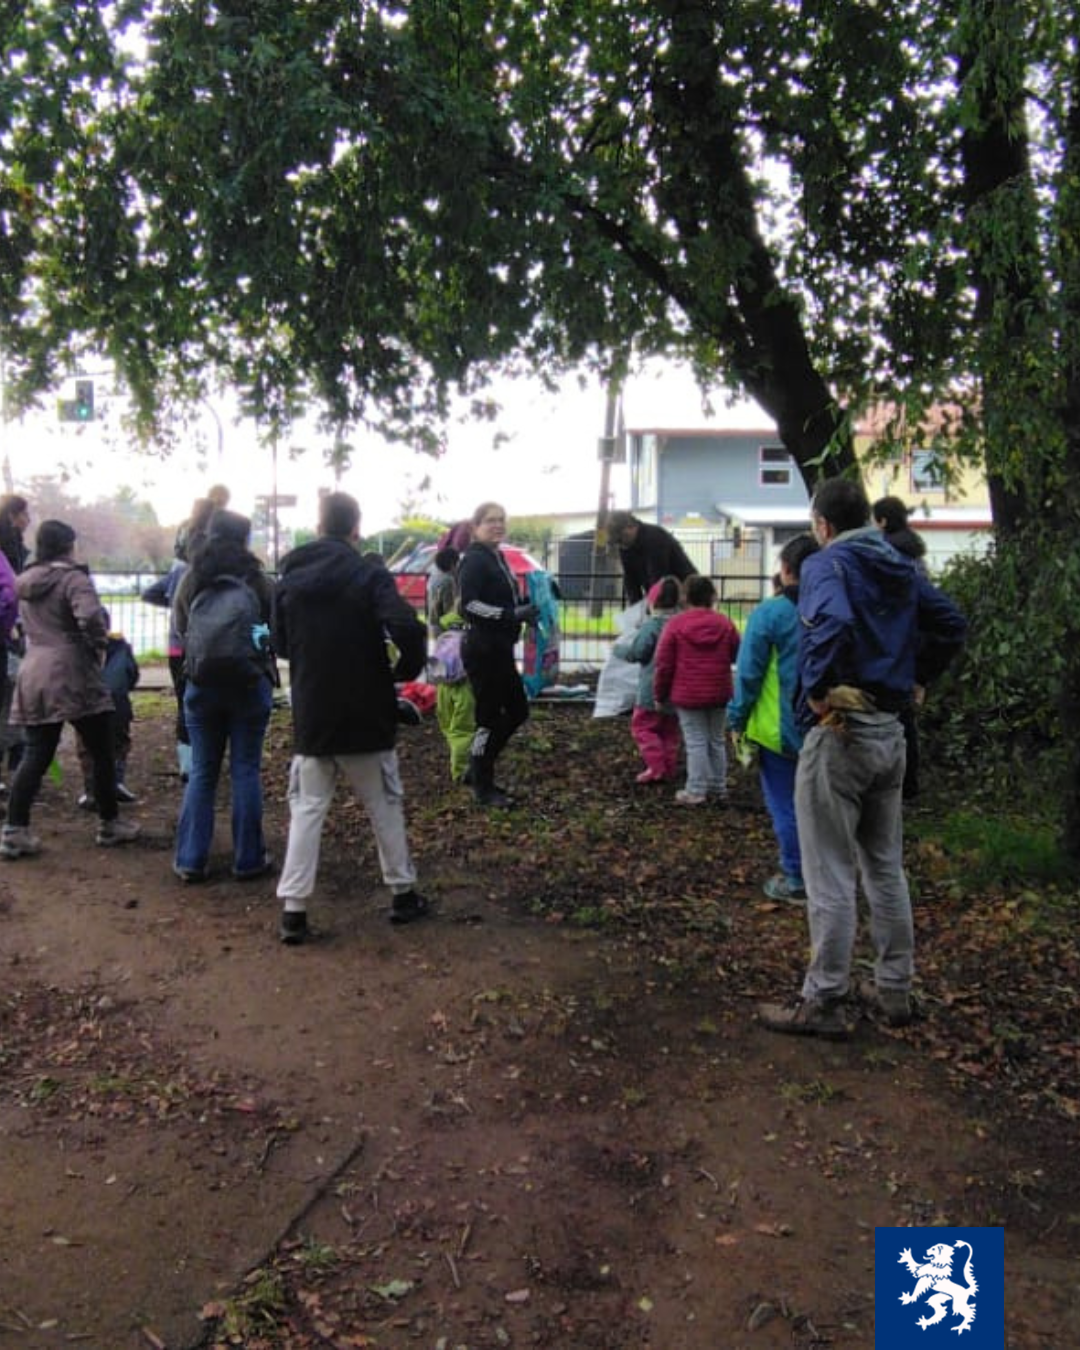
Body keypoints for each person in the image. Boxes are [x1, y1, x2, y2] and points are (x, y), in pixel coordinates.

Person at [757, 479, 966, 1039]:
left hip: (842, 732)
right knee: (884, 866)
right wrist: (920, 675)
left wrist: (818, 690)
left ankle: (824, 998)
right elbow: (951, 623)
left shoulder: (828, 563)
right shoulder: (898, 562)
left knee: (828, 871)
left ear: (822, 525)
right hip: (892, 733)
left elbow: (833, 621)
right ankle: (894, 988)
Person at [272, 491, 429, 941]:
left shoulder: (289, 580)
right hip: (366, 712)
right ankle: (402, 894)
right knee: (384, 805)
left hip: (314, 711)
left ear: (318, 526)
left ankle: (294, 910)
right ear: (356, 529)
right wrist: (404, 670)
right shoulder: (368, 574)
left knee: (307, 809)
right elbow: (406, 625)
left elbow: (280, 644)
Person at [0, 520, 141, 858]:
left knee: (37, 752)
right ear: (68, 545)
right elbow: (91, 617)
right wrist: (98, 644)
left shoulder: (26, 581)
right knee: (101, 750)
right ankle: (109, 823)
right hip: (73, 672)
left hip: (35, 670)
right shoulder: (73, 579)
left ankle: (14, 830)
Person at [171, 509, 276, 882]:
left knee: (202, 771)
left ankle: (190, 859)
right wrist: (255, 651)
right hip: (249, 684)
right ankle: (248, 859)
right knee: (245, 768)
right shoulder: (258, 581)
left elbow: (181, 627)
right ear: (244, 539)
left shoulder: (193, 578)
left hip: (201, 686)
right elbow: (269, 631)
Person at [727, 534, 819, 902]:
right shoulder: (839, 608)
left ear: (785, 570)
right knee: (825, 805)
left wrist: (736, 718)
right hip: (833, 725)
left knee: (787, 804)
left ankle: (797, 878)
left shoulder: (771, 613)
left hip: (780, 729)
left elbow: (748, 674)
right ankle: (831, 875)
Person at [458, 501, 538, 808]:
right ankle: (482, 785)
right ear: (475, 527)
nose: (497, 525)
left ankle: (478, 765)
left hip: (500, 649)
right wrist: (510, 614)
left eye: (501, 520)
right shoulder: (474, 560)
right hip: (482, 650)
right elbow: (469, 605)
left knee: (518, 710)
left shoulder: (497, 556)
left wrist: (524, 607)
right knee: (487, 719)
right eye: (490, 520)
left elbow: (504, 598)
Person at [653, 574, 741, 805]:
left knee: (696, 741)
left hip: (687, 694)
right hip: (719, 691)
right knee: (716, 740)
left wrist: (659, 695)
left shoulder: (675, 625)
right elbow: (737, 653)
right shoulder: (724, 623)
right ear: (712, 596)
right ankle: (718, 786)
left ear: (685, 597)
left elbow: (664, 664)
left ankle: (696, 790)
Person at [144, 498, 215, 782]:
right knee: (209, 703)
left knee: (184, 703)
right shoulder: (213, 571)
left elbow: (150, 592)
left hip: (177, 647)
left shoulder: (178, 572)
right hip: (207, 647)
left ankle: (187, 762)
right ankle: (205, 756)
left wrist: (174, 605)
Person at [872, 496, 929, 799]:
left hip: (889, 640)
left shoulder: (885, 554)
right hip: (913, 641)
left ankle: (889, 781)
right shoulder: (915, 555)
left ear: (882, 521)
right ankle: (910, 782)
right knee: (906, 715)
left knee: (885, 713)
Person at [612, 575, 683, 784]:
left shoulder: (652, 626)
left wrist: (618, 649)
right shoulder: (681, 624)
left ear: (652, 603)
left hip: (650, 690)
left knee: (642, 727)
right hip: (676, 689)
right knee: (670, 731)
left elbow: (638, 652)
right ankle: (669, 766)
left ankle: (656, 766)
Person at [76, 610, 140, 808]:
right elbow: (132, 674)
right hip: (117, 703)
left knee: (87, 747)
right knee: (119, 743)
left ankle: (91, 789)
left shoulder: (75, 648)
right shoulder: (121, 646)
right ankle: (117, 782)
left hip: (86, 704)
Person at [0, 493, 30, 786]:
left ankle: (17, 764)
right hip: (9, 636)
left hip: (11, 633)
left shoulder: (15, 550)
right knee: (12, 700)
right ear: (12, 516)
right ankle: (17, 766)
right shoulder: (8, 554)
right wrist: (9, 625)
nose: (28, 520)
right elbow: (11, 593)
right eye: (24, 514)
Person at [608, 510, 697, 605]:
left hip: (687, 592)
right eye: (617, 541)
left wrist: (651, 604)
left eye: (621, 537)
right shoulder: (626, 546)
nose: (621, 543)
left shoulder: (654, 537)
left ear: (630, 526)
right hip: (666, 593)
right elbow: (630, 579)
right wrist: (636, 607)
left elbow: (658, 576)